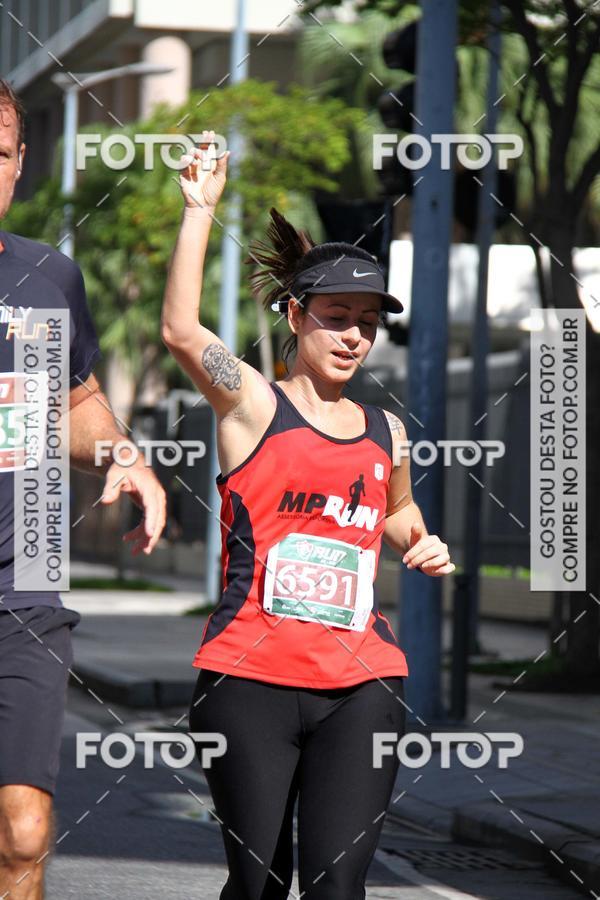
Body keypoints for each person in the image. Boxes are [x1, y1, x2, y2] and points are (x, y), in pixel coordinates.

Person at [161, 131, 455, 900]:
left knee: (338, 887)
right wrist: (200, 209)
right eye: (336, 315)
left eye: (366, 320)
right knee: (258, 883)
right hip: (248, 678)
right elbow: (182, 333)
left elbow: (398, 516)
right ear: (295, 316)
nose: (354, 334)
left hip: (363, 683)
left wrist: (423, 543)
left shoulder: (385, 431)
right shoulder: (253, 404)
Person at [0, 79, 167, 900]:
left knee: (25, 831)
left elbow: (76, 405)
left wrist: (122, 456)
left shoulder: (48, 279)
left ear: (21, 163)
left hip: (21, 584)